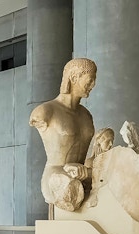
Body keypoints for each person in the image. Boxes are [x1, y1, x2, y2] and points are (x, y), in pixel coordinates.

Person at [29, 58, 97, 214]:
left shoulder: (86, 115)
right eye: (90, 80)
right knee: (71, 189)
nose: (93, 85)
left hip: (83, 175)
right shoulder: (45, 112)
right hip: (57, 177)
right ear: (74, 78)